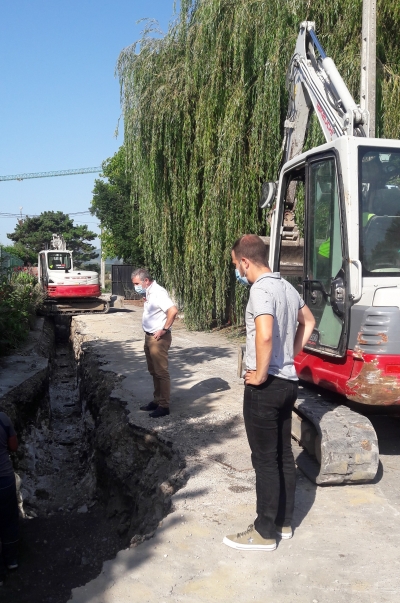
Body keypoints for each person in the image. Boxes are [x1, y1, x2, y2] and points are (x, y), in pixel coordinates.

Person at [223, 234, 315, 551]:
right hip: (289, 384)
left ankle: (263, 532)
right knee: (283, 456)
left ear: (246, 261)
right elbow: (309, 320)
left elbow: (263, 334)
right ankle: (283, 522)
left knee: (264, 461)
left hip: (267, 386)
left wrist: (260, 374)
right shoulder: (287, 287)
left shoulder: (260, 290)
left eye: (236, 265)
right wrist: (290, 355)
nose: (238, 271)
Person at [131, 269, 178, 418]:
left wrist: (164, 329)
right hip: (149, 336)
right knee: (153, 371)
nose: (135, 287)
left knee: (161, 372)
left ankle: (164, 406)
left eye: (137, 284)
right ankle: (157, 400)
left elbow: (173, 311)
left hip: (158, 339)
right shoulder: (149, 292)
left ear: (146, 281)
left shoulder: (158, 292)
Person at [0, 411, 19, 583]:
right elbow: (13, 446)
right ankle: (11, 560)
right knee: (8, 520)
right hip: (4, 479)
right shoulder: (3, 419)